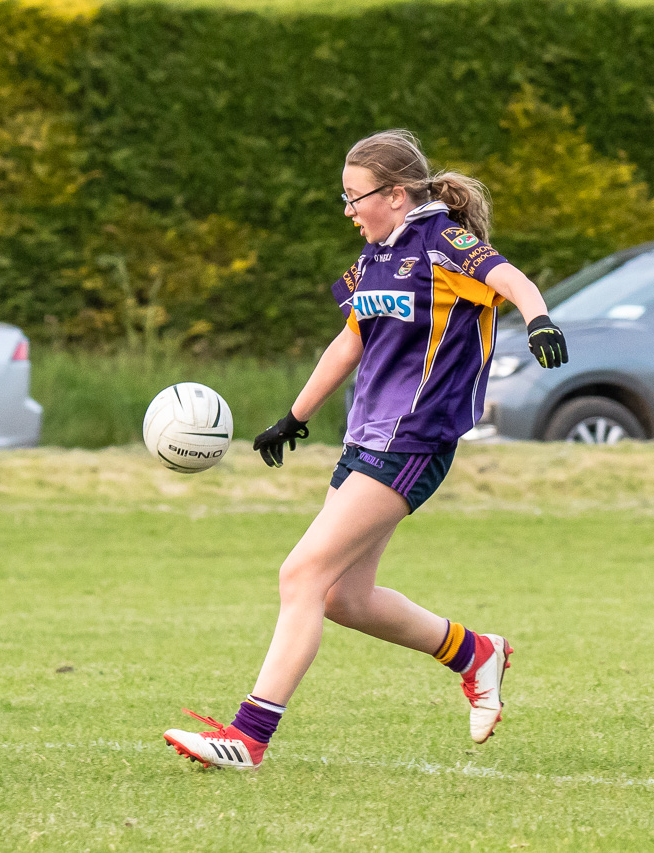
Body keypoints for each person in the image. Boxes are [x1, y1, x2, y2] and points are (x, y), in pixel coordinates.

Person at [163, 129, 569, 769]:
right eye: (345, 198)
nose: (348, 210)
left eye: (356, 197)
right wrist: (294, 417)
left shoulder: (443, 243)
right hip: (365, 439)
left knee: (300, 574)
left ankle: (248, 736)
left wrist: (540, 318)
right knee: (341, 596)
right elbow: (349, 340)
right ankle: (474, 653)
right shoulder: (375, 259)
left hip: (414, 440)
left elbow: (509, 276)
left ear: (398, 195)